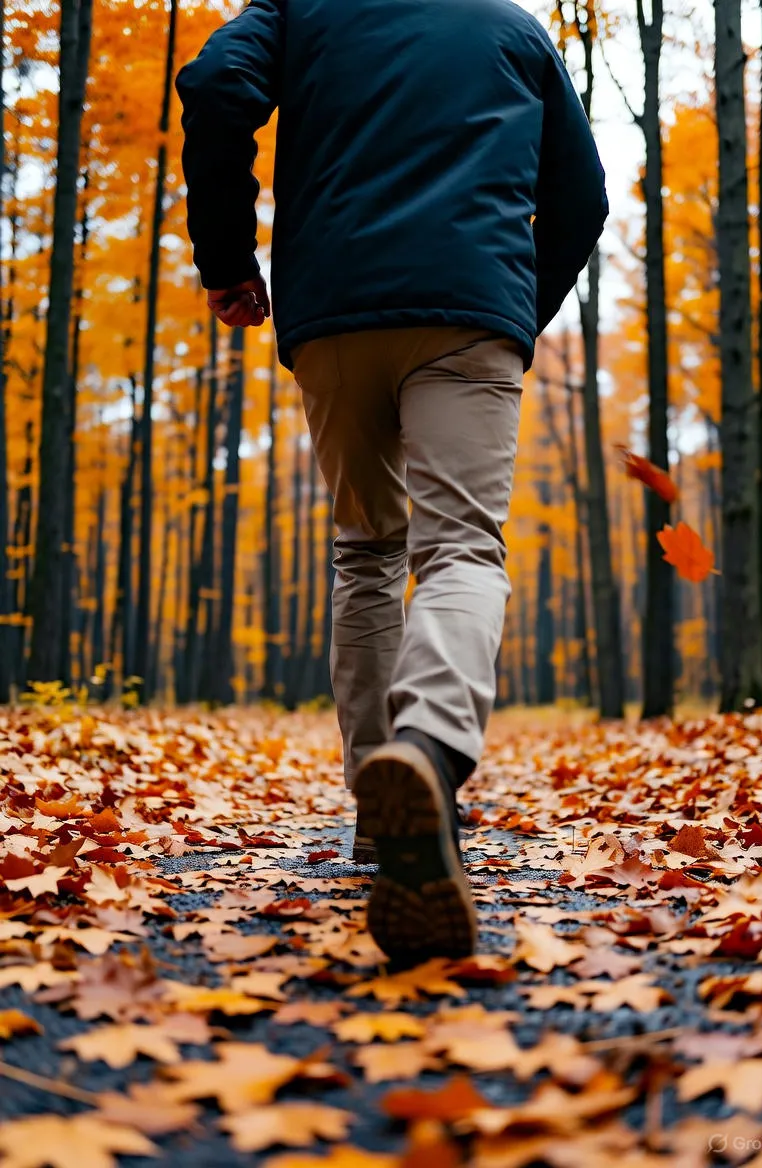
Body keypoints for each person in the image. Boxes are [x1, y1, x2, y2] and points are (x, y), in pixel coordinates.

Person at [177, 0, 608, 963]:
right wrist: (509, 308)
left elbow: (213, 86)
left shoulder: (298, 10)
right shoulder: (514, 29)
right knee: (460, 550)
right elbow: (583, 200)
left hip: (332, 313)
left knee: (367, 552)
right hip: (468, 313)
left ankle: (380, 813)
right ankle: (430, 751)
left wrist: (227, 260)